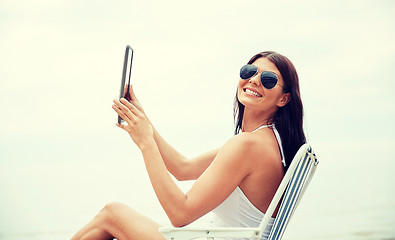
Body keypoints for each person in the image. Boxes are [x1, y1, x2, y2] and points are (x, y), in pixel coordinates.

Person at [70, 51, 306, 240]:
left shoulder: (248, 145)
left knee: (112, 214)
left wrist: (145, 143)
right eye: (250, 71)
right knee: (112, 215)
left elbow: (180, 214)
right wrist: (144, 123)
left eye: (268, 79)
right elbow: (183, 168)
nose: (254, 80)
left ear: (283, 98)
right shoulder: (263, 141)